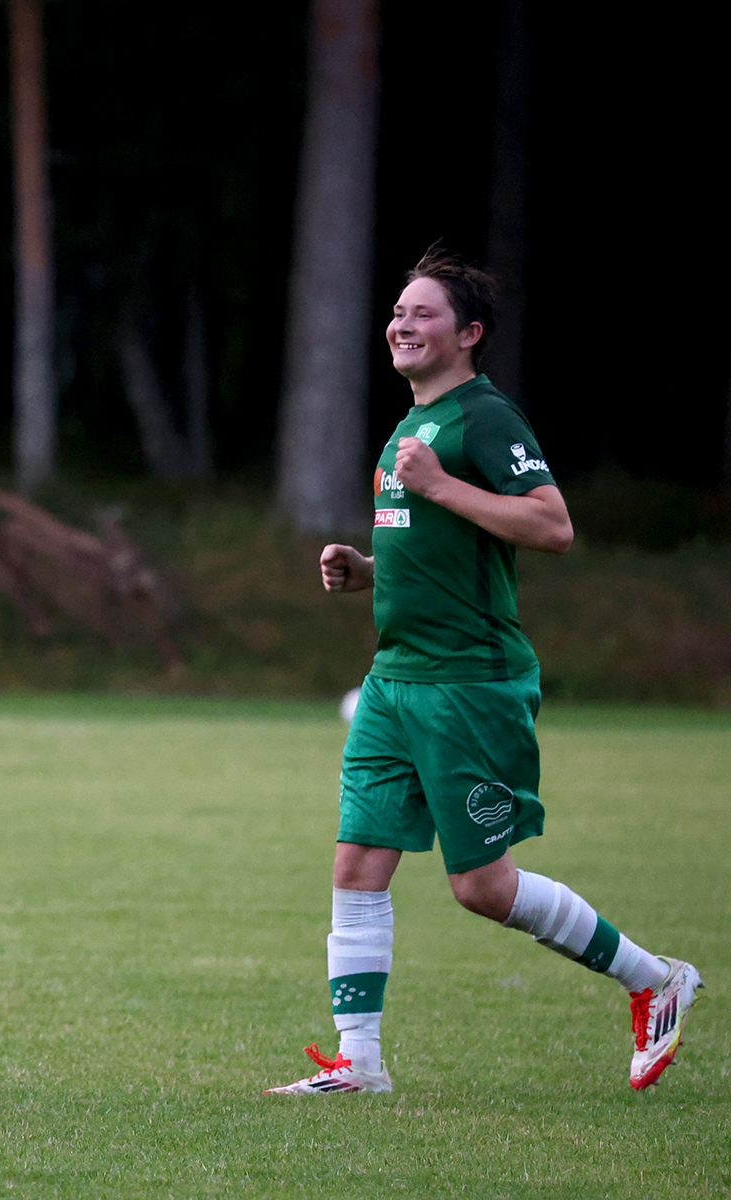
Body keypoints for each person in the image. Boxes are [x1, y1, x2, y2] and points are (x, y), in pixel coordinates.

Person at [266, 249, 702, 1096]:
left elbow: (551, 527)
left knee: (480, 887)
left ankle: (655, 979)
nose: (401, 323)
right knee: (356, 862)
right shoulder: (406, 431)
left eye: (423, 313)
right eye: (397, 311)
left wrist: (438, 488)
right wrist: (364, 568)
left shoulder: (483, 419)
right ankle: (359, 1061)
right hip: (395, 680)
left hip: (470, 682)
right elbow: (432, 555)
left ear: (468, 335)